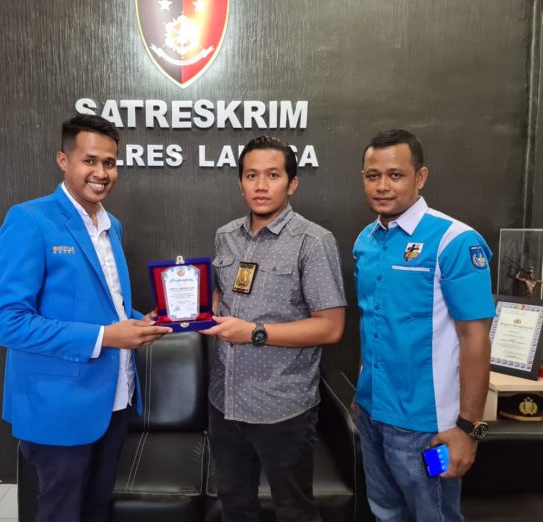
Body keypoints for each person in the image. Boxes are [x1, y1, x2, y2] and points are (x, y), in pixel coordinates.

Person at [0, 114, 172, 522]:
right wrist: (106, 336)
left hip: (115, 399)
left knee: (96, 509)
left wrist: (141, 320)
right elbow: (6, 322)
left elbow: (106, 305)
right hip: (58, 406)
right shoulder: (30, 220)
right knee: (60, 513)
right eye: (90, 161)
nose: (101, 173)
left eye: (109, 163)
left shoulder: (111, 225)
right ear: (63, 160)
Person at [201, 135, 346, 522]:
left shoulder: (313, 242)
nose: (261, 185)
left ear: (291, 183)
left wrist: (254, 332)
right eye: (251, 175)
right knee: (235, 506)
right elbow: (222, 296)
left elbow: (330, 327)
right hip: (225, 401)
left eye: (273, 175)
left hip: (283, 407)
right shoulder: (226, 235)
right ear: (240, 183)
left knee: (294, 511)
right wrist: (191, 313)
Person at [353, 129, 494, 521]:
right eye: (373, 176)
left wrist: (469, 429)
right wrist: (363, 390)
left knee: (435, 514)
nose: (382, 186)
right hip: (373, 415)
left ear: (420, 177)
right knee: (385, 512)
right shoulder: (366, 241)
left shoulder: (455, 241)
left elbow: (476, 339)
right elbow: (372, 321)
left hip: (431, 430)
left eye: (395, 175)